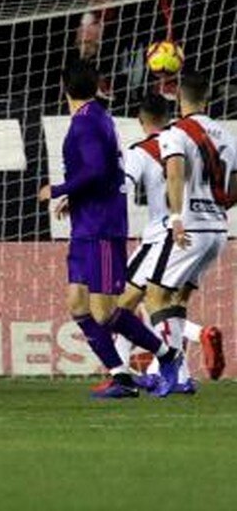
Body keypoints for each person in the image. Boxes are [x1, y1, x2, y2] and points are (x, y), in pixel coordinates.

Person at [38, 59, 184, 399]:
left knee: (104, 310)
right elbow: (105, 172)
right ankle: (122, 375)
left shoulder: (87, 123)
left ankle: (169, 355)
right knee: (77, 304)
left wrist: (59, 190)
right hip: (87, 223)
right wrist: (74, 198)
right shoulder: (95, 118)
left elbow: (96, 169)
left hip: (101, 226)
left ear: (64, 87)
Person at [115, 94, 225, 391]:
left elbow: (123, 187)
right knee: (172, 302)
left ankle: (124, 374)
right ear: (169, 115)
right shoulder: (185, 140)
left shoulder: (140, 150)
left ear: (140, 121)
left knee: (123, 305)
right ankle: (178, 375)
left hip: (161, 235)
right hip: (199, 230)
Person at [153, 76, 236, 385]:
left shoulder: (175, 132)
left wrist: (176, 217)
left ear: (179, 100)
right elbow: (234, 188)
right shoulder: (228, 135)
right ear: (207, 99)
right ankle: (177, 376)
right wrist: (215, 209)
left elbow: (174, 175)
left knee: (153, 298)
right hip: (217, 230)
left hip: (188, 228)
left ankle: (200, 336)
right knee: (177, 300)